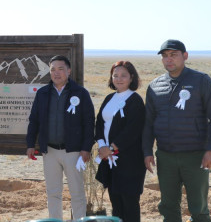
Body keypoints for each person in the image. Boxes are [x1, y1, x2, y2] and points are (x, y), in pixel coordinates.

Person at [142, 40, 211, 222]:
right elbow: (148, 123)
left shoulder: (201, 81)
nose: (168, 60)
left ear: (185, 56)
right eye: (165, 56)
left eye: (173, 55)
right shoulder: (155, 86)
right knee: (169, 207)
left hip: (196, 156)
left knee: (198, 208)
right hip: (166, 157)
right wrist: (147, 151)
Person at [26, 55, 95, 220]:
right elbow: (33, 120)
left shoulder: (81, 93)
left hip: (73, 152)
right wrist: (30, 144)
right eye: (53, 70)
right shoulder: (43, 93)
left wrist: (86, 149)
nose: (56, 73)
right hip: (49, 151)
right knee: (53, 193)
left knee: (77, 193)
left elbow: (89, 122)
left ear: (69, 71)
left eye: (61, 69)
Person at [94, 61, 146, 221]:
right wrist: (102, 146)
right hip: (109, 159)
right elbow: (99, 123)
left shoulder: (135, 100)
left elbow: (132, 131)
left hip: (130, 161)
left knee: (129, 203)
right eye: (115, 75)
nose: (119, 78)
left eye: (123, 75)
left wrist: (111, 148)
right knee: (115, 202)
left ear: (132, 77)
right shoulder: (110, 98)